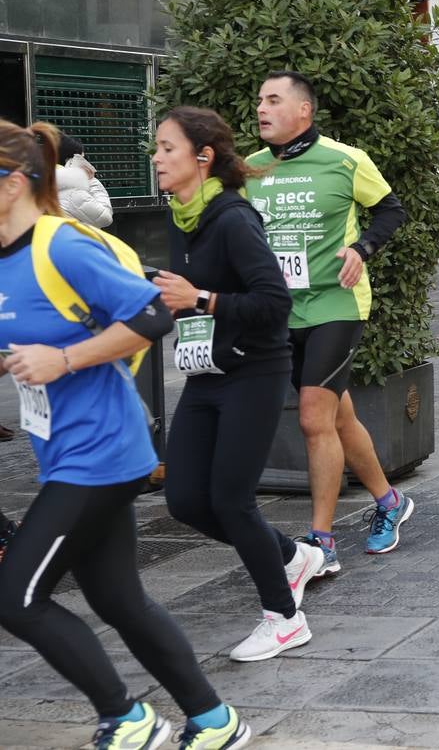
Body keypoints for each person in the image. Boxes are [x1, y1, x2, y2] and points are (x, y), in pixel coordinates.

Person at [0, 118, 251, 750]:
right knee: (120, 601)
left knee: (15, 597)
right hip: (65, 453)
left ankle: (126, 717)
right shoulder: (5, 258)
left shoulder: (61, 245)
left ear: (11, 183)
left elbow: (151, 312)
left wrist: (64, 359)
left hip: (101, 451)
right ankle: (214, 721)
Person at [153, 107, 327, 663]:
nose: (155, 157)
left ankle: (284, 617)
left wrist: (201, 300)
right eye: (156, 147)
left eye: (166, 148)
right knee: (183, 498)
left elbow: (275, 303)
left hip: (255, 372)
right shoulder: (183, 219)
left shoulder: (232, 219)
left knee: (230, 499)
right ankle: (290, 556)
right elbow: (183, 296)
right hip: (206, 373)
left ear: (202, 158)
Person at [245, 71, 412, 568]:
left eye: (273, 100)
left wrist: (362, 248)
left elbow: (391, 211)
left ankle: (321, 542)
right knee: (339, 415)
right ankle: (390, 502)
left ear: (303, 110)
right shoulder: (251, 168)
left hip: (337, 303)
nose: (261, 108)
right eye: (259, 100)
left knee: (313, 415)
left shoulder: (345, 160)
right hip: (281, 308)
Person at [56, 133, 113, 228]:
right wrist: (91, 181)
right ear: (70, 161)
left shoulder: (41, 183)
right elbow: (105, 218)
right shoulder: (72, 192)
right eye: (82, 159)